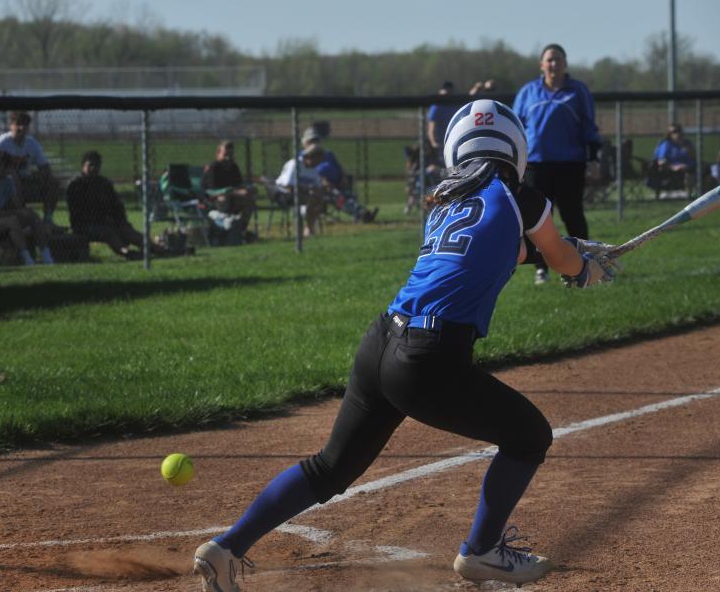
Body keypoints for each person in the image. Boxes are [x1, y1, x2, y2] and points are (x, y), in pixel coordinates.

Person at [192, 100, 619, 591]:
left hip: (381, 342)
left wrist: (566, 249)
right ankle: (481, 552)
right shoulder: (523, 197)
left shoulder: (445, 199)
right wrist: (581, 266)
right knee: (529, 437)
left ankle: (226, 548)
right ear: (516, 149)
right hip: (430, 358)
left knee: (331, 467)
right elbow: (553, 257)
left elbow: (507, 249)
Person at [513, 43, 603, 285]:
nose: (553, 64)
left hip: (570, 164)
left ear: (565, 64)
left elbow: (589, 127)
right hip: (536, 165)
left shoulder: (577, 91)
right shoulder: (528, 93)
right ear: (541, 65)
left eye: (558, 60)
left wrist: (593, 159)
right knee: (538, 219)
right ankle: (540, 268)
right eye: (549, 60)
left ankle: (583, 265)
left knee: (573, 214)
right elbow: (516, 129)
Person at [66, 150, 163, 260]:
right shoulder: (75, 185)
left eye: (97, 165)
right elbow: (78, 213)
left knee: (128, 231)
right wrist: (103, 220)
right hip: (84, 225)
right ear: (83, 166)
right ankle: (127, 253)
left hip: (107, 222)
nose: (94, 168)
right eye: (90, 165)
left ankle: (157, 249)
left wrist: (121, 221)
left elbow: (117, 206)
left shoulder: (104, 184)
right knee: (109, 233)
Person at [0, 152, 54, 265]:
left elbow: (17, 205)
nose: (2, 169)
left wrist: (15, 180)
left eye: (5, 166)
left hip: (1, 217)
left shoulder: (8, 181)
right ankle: (27, 258)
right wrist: (16, 212)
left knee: (32, 215)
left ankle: (46, 256)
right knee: (12, 221)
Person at [0, 111, 60, 224]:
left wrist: (40, 174)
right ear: (11, 125)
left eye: (25, 125)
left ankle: (48, 218)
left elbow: (44, 166)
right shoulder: (1, 143)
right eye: (18, 124)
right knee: (13, 178)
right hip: (4, 184)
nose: (22, 127)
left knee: (53, 182)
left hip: (26, 181)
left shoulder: (32, 143)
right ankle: (21, 216)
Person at [301, 128, 377, 223]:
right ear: (305, 143)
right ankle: (361, 214)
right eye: (311, 141)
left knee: (349, 195)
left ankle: (361, 213)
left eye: (316, 140)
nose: (315, 143)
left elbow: (338, 167)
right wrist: (322, 181)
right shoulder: (304, 158)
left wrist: (343, 177)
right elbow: (307, 175)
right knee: (339, 197)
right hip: (322, 187)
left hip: (338, 183)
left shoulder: (328, 154)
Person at [201, 140, 257, 234]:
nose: (228, 157)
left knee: (249, 199)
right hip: (213, 200)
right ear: (218, 153)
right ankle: (225, 228)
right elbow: (212, 190)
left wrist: (248, 189)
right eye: (225, 154)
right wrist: (232, 191)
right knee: (223, 198)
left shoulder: (233, 167)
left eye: (230, 154)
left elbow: (239, 184)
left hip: (232, 197)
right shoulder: (213, 167)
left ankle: (240, 229)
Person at [275, 144, 326, 237]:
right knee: (313, 199)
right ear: (310, 157)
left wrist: (319, 190)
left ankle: (308, 228)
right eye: (317, 160)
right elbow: (288, 186)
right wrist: (308, 189)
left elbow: (318, 187)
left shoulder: (313, 169)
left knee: (319, 200)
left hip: (302, 195)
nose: (318, 163)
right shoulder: (295, 164)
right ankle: (308, 230)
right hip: (283, 195)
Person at [650, 123, 697, 199]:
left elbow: (694, 158)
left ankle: (698, 196)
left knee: (700, 168)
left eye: (679, 131)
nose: (677, 134)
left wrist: (689, 150)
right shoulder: (666, 144)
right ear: (669, 134)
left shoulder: (687, 143)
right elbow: (661, 161)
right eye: (674, 132)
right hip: (671, 169)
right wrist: (673, 167)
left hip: (688, 167)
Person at [426, 81, 458, 156]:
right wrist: (434, 143)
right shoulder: (437, 106)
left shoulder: (455, 104)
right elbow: (431, 129)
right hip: (440, 144)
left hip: (453, 141)